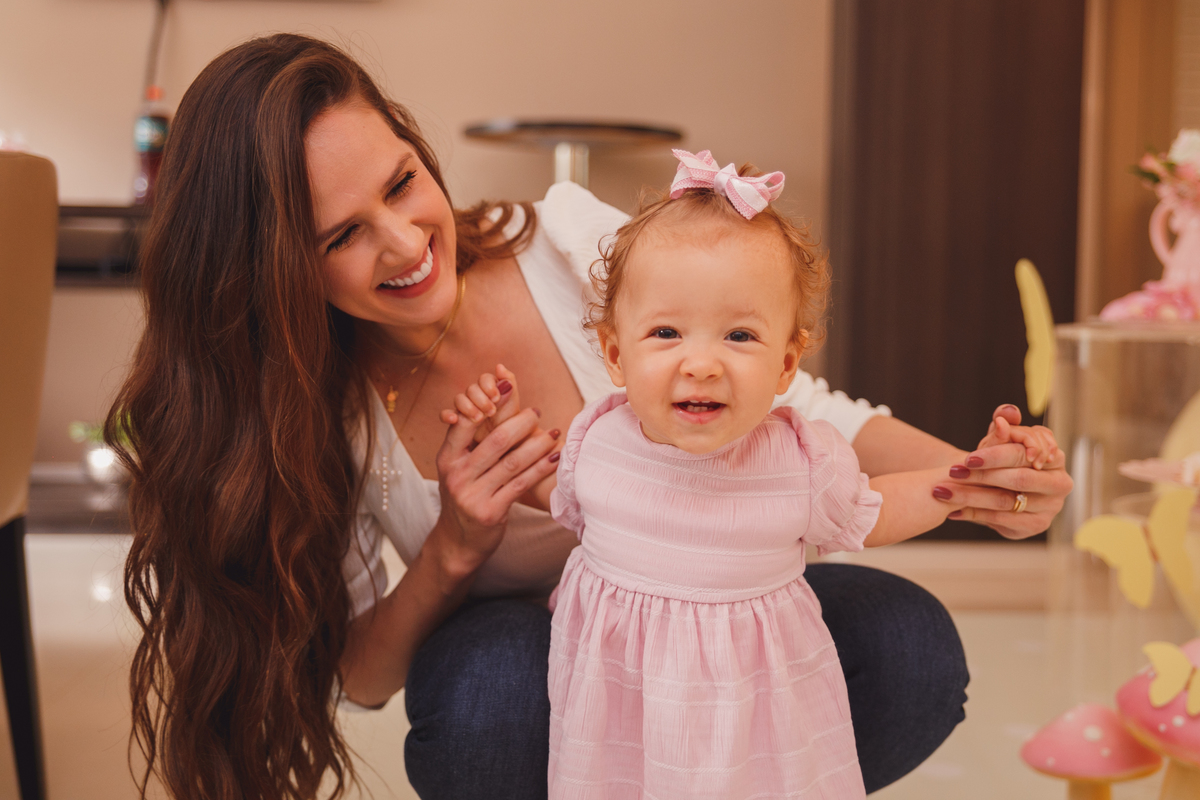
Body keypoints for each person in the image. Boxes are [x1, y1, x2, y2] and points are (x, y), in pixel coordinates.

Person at [108, 33, 1072, 800]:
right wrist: (456, 545)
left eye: (401, 183)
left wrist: (983, 478)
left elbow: (807, 421)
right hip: (537, 674)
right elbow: (362, 679)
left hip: (713, 626)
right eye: (344, 235)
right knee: (490, 691)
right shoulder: (326, 422)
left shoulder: (566, 247)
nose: (405, 243)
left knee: (908, 648)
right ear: (277, 271)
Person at [448, 152, 1058, 798]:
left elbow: (876, 507)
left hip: (752, 708)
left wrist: (964, 480)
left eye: (739, 336)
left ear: (787, 363)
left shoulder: (798, 460)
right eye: (667, 332)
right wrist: (497, 433)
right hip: (618, 710)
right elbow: (554, 488)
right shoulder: (598, 438)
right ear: (615, 354)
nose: (702, 363)